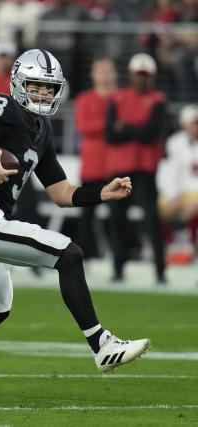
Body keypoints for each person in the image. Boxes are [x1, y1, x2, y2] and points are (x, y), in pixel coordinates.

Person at [0, 49, 150, 404]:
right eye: (36, 87)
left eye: (49, 89)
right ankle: (101, 344)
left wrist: (103, 193)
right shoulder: (4, 110)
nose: (43, 95)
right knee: (69, 253)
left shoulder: (42, 128)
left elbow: (62, 194)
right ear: (19, 84)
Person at [104, 53, 167, 284]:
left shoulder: (158, 99)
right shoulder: (118, 98)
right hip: (120, 169)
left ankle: (160, 271)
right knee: (117, 219)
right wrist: (138, 129)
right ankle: (118, 269)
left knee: (152, 220)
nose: (142, 79)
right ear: (131, 75)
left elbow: (152, 134)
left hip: (145, 168)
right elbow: (110, 134)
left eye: (145, 75)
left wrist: (126, 128)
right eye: (139, 74)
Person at [74, 56, 117, 258]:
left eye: (108, 70)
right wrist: (110, 124)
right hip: (92, 167)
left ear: (115, 74)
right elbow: (83, 126)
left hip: (117, 166)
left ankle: (119, 261)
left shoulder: (120, 98)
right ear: (93, 75)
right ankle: (83, 258)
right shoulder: (85, 99)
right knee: (86, 216)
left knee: (119, 215)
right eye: (100, 70)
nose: (105, 75)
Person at [158, 104, 198, 252]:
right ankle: (172, 243)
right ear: (185, 125)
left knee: (194, 205)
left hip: (195, 191)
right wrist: (172, 194)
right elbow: (168, 172)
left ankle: (191, 243)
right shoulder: (174, 143)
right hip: (181, 191)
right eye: (193, 124)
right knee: (160, 206)